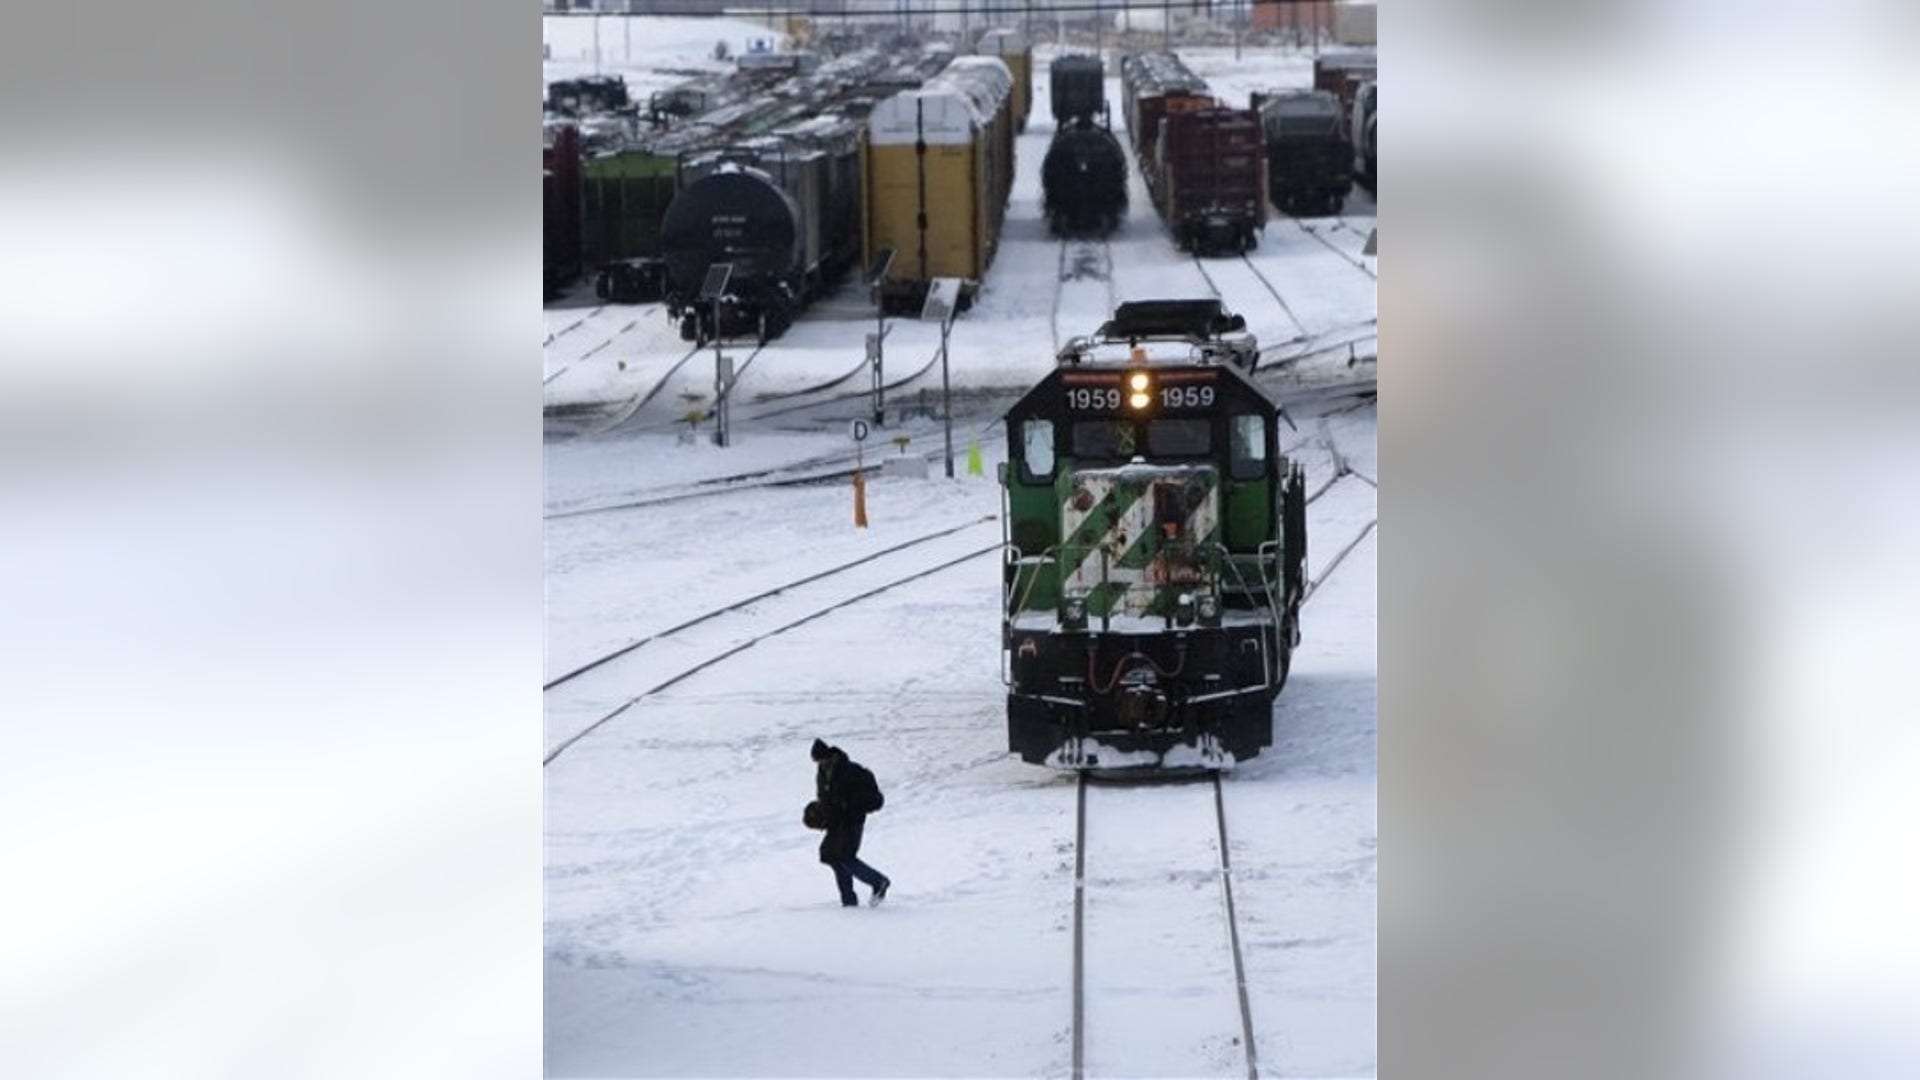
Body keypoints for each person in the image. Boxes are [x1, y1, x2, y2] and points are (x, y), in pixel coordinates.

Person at [810, 738, 891, 908]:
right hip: (835, 823)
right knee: (833, 857)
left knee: (845, 857)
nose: (817, 762)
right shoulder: (822, 772)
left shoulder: (850, 771)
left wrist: (846, 804)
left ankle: (878, 881)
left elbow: (861, 797)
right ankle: (848, 900)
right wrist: (822, 811)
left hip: (852, 821)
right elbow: (824, 796)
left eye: (819, 759)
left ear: (828, 755)